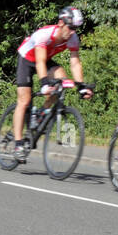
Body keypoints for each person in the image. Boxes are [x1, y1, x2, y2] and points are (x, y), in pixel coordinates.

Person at [13, 8, 92, 161]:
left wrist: (81, 86)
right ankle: (18, 144)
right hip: (27, 59)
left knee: (62, 80)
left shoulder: (73, 38)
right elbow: (40, 61)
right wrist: (44, 83)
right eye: (70, 27)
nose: (72, 32)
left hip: (45, 60)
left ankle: (41, 112)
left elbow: (75, 63)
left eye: (75, 28)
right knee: (24, 101)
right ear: (61, 23)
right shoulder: (44, 34)